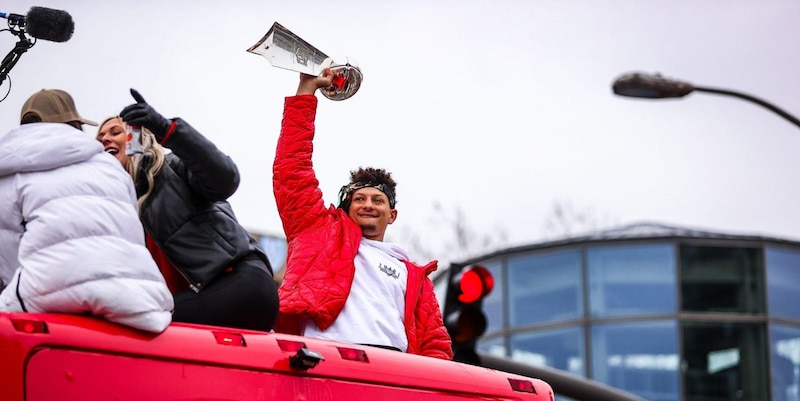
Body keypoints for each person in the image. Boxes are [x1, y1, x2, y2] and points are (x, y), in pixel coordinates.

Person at [272, 71, 453, 359]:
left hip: (391, 370)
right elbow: (292, 170)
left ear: (391, 215)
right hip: (323, 358)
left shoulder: (412, 274)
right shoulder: (319, 233)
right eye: (359, 199)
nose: (368, 204)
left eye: (377, 200)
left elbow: (435, 344)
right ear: (347, 207)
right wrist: (306, 90)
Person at [95, 89, 279, 332]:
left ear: (134, 139)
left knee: (137, 323)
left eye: (115, 132)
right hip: (196, 301)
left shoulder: (170, 169)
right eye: (99, 138)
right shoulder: (118, 208)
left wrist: (166, 129)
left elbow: (225, 178)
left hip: (239, 282)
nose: (105, 139)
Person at [0, 89, 173, 333]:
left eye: (116, 132)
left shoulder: (9, 171)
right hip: (142, 300)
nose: (105, 139)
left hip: (45, 293)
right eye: (102, 134)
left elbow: (8, 253)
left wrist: (141, 128)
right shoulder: (112, 170)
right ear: (75, 125)